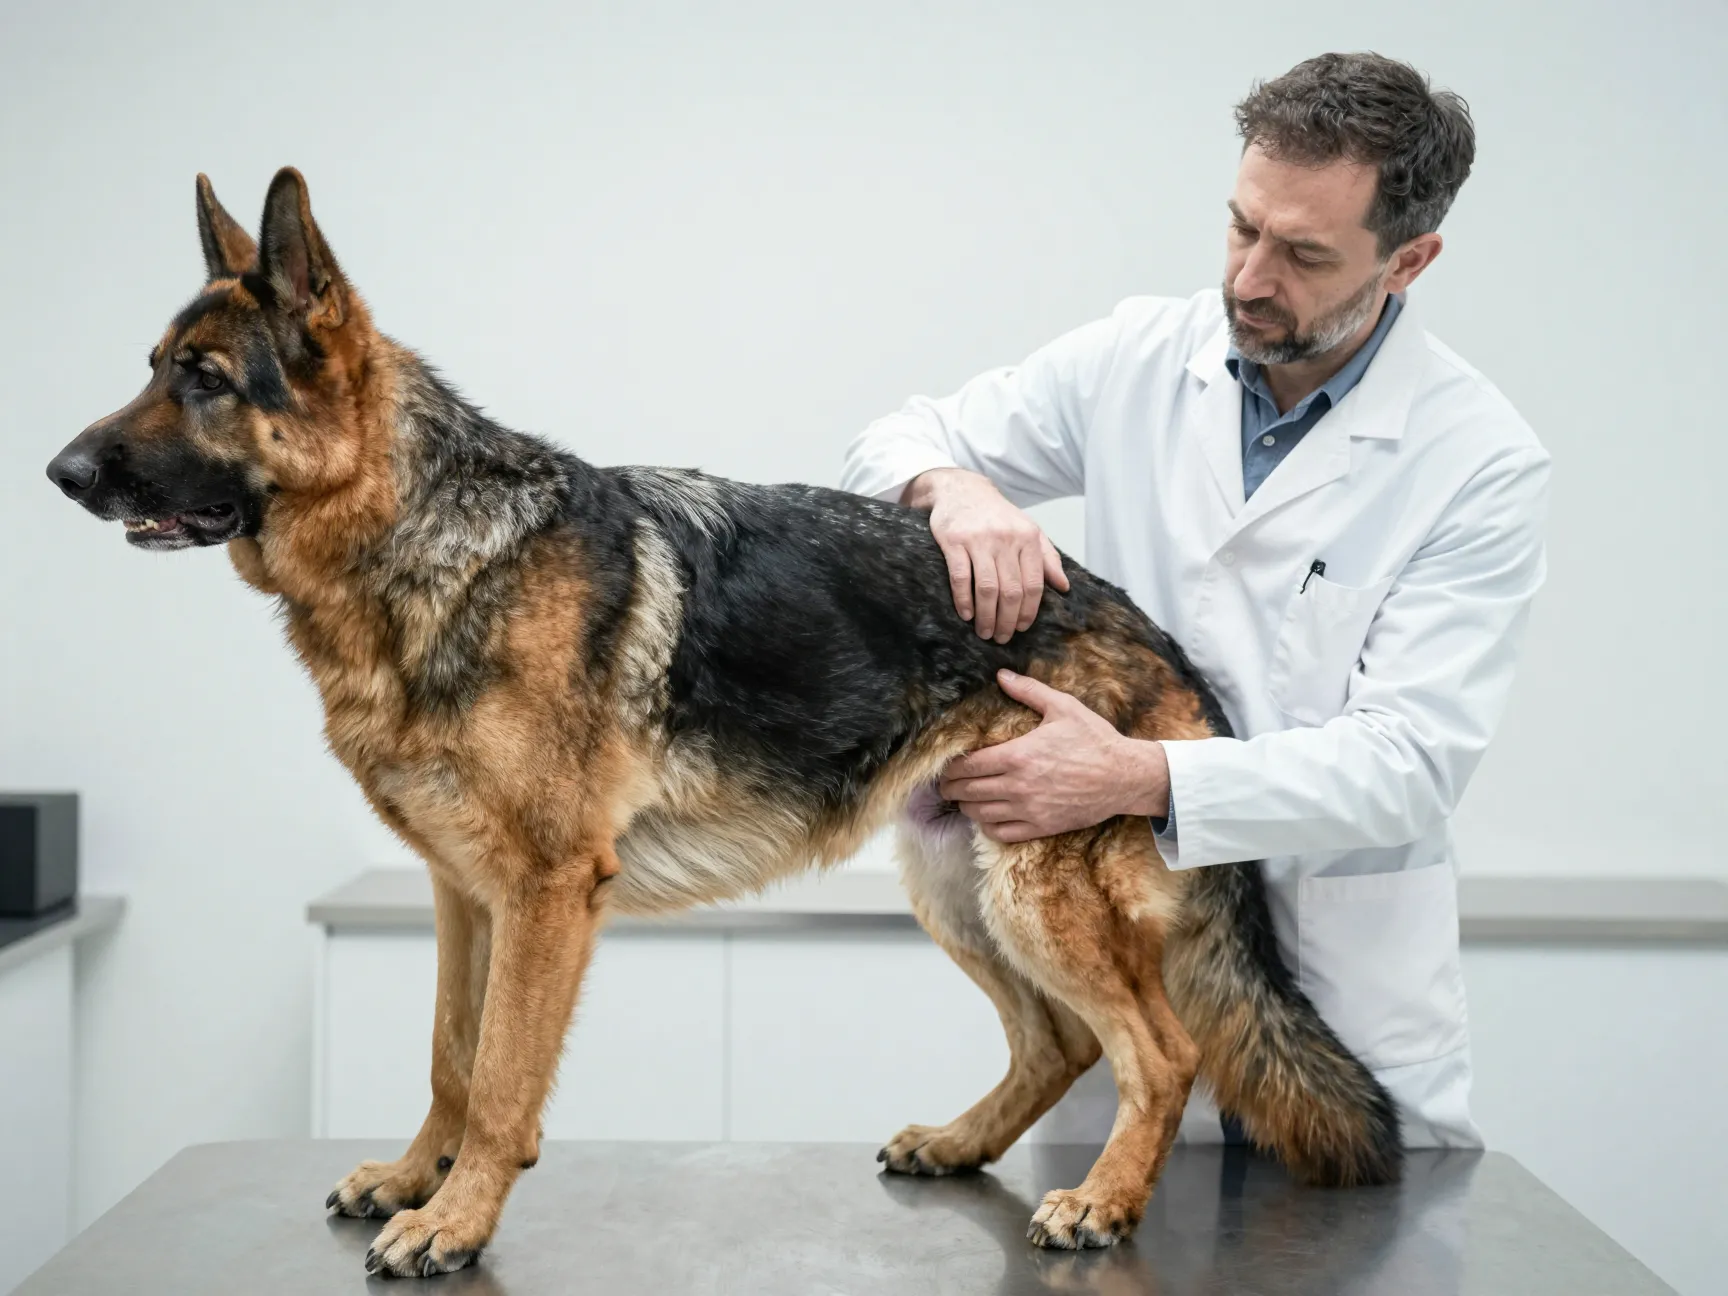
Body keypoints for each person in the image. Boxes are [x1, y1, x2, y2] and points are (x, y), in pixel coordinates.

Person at [840, 51, 1550, 1149]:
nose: (1251, 278)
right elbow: (896, 439)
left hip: (1341, 995)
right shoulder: (1141, 353)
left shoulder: (1478, 459)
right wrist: (955, 489)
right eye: (1240, 228)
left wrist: (1134, 773)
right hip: (1124, 956)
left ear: (1409, 259)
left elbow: (1412, 761)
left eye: (1304, 254)